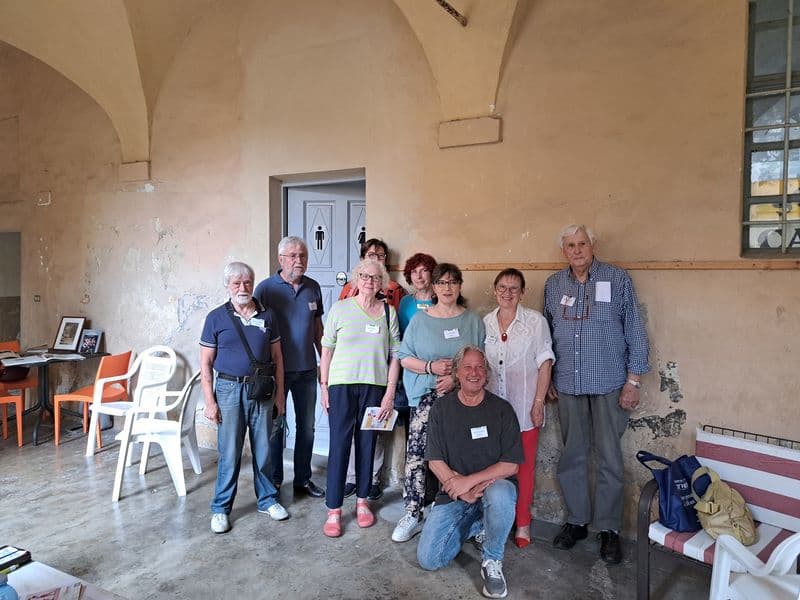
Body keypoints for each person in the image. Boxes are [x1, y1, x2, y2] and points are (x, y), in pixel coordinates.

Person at [543, 224, 650, 564]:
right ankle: (576, 521)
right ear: (564, 251)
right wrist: (546, 379)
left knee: (609, 458)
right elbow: (545, 337)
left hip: (609, 382)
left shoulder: (617, 279)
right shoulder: (553, 285)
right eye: (571, 245)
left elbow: (635, 328)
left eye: (582, 243)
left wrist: (633, 381)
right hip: (568, 384)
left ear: (593, 246)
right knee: (571, 455)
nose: (577, 250)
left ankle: (608, 529)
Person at [416, 346, 523, 599]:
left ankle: (492, 560)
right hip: (455, 493)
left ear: (486, 374)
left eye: (479, 368)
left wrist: (468, 482)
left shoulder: (502, 410)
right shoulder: (442, 409)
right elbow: (434, 460)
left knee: (501, 495)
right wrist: (458, 488)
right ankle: (479, 523)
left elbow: (511, 465)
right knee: (429, 559)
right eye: (467, 367)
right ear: (457, 373)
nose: (474, 372)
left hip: (492, 487)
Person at [392, 263, 485, 543]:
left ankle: (465, 513)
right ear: (434, 287)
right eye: (442, 283)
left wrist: (456, 380)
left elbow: (481, 363)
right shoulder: (420, 321)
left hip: (465, 399)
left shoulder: (473, 322)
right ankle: (413, 511)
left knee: (464, 456)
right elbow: (404, 357)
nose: (447, 288)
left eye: (453, 282)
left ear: (460, 286)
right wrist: (431, 368)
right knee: (419, 454)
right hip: (426, 398)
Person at [200, 261, 288, 534]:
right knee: (229, 452)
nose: (243, 287)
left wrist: (280, 396)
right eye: (236, 283)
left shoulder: (268, 315)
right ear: (228, 286)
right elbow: (205, 363)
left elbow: (277, 358)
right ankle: (220, 508)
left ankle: (267, 500)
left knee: (263, 449)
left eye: (247, 282)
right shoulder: (216, 317)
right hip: (227, 390)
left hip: (261, 389)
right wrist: (209, 402)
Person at [319, 259, 400, 537]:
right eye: (364, 276)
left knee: (368, 443)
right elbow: (326, 351)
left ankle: (363, 501)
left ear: (382, 283)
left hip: (374, 388)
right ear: (356, 278)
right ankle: (334, 509)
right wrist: (324, 385)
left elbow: (395, 356)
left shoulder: (388, 313)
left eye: (376, 278)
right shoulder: (340, 309)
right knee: (339, 445)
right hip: (341, 386)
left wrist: (390, 392)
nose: (369, 281)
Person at [484, 268, 554, 549]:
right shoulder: (485, 322)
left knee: (524, 469)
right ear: (495, 289)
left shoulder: (535, 322)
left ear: (523, 292)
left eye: (514, 288)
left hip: (525, 407)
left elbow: (545, 362)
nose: (508, 293)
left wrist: (538, 402)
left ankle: (522, 523)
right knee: (491, 467)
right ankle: (491, 520)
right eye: (502, 287)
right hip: (492, 411)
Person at [254, 236, 325, 498]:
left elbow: (318, 329)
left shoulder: (313, 288)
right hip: (276, 374)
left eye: (303, 255)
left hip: (307, 370)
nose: (299, 260)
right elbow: (256, 330)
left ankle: (303, 480)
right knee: (275, 427)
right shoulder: (264, 289)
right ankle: (274, 480)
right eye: (293, 256)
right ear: (281, 259)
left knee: (307, 428)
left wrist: (325, 364)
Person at [341, 238, 405, 500]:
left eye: (380, 254)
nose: (376, 257)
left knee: (376, 428)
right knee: (351, 427)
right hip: (350, 372)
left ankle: (373, 477)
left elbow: (396, 333)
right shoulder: (348, 289)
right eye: (370, 254)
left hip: (381, 370)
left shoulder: (396, 291)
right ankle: (351, 478)